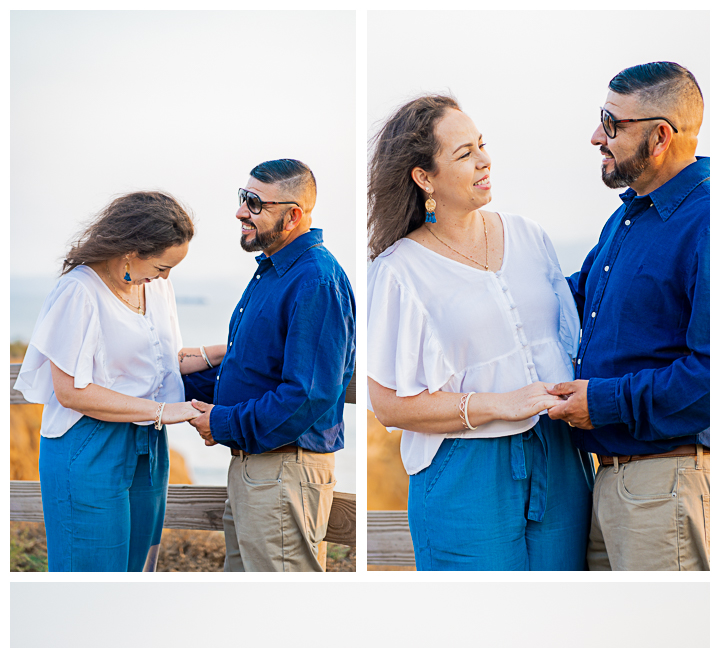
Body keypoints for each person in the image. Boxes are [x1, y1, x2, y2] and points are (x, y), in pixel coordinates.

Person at [367, 96, 593, 571]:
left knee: (557, 620)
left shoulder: (530, 236)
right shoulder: (399, 272)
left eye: (482, 145)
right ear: (424, 177)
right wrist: (500, 404)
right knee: (478, 623)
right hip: (466, 469)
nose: (484, 160)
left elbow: (573, 343)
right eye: (464, 153)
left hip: (560, 455)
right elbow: (386, 404)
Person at [547, 62, 709, 571]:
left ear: (660, 136)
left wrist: (603, 401)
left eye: (612, 123)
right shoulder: (626, 216)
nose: (598, 136)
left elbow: (710, 375)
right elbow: (568, 302)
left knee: (664, 647)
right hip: (605, 485)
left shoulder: (707, 223)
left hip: (663, 487)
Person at [179, 159, 355, 572]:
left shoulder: (315, 280)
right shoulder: (275, 273)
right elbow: (252, 368)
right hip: (256, 469)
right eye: (243, 198)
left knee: (281, 612)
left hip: (283, 473)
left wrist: (221, 423)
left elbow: (307, 395)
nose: (241, 211)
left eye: (255, 203)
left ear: (293, 215)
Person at [16, 191, 200, 572]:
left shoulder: (157, 287)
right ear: (132, 251)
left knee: (137, 570)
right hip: (88, 444)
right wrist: (164, 410)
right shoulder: (79, 291)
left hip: (148, 444)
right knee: (92, 573)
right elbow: (70, 391)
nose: (166, 277)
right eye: (162, 265)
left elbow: (166, 359)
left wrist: (229, 352)